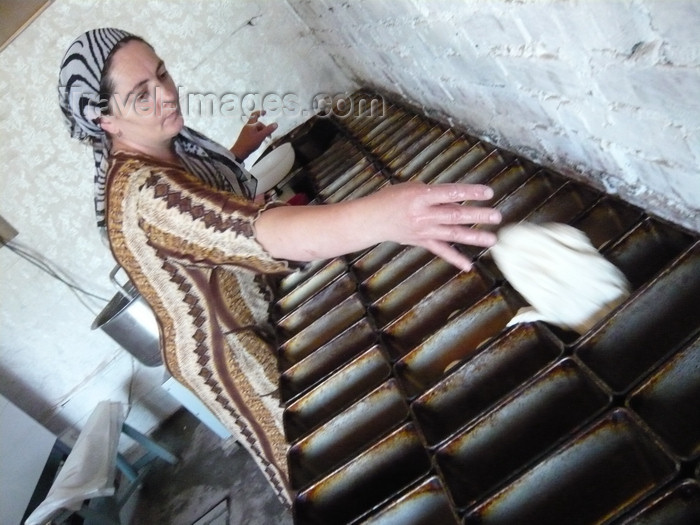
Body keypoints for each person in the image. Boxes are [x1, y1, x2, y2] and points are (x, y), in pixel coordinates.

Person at [58, 28, 502, 505]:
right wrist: (386, 215)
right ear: (104, 120)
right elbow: (252, 231)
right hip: (232, 355)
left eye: (162, 72)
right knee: (318, 467)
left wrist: (239, 150)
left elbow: (202, 197)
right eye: (141, 94)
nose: (165, 93)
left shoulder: (162, 147)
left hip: (251, 311)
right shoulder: (143, 194)